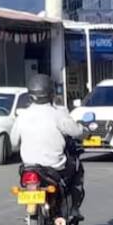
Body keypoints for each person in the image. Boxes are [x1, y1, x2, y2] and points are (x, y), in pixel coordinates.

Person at [12, 73, 85, 213]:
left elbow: (14, 141)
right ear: (51, 93)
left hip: (29, 167)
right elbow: (76, 132)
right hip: (54, 166)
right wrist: (84, 129)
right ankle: (72, 209)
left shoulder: (22, 115)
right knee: (76, 167)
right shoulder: (58, 113)